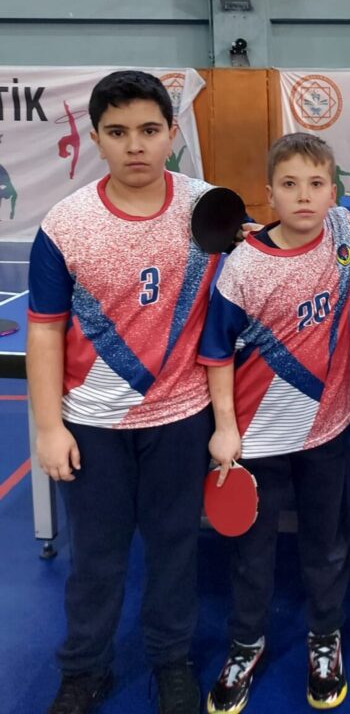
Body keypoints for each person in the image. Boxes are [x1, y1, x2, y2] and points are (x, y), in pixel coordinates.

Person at [27, 70, 219, 714]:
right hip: (92, 425)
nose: (134, 145)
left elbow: (289, 229)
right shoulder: (66, 224)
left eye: (148, 130)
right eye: (117, 132)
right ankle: (84, 670)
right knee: (97, 559)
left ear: (171, 134)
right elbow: (45, 331)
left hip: (182, 418)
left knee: (174, 549)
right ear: (96, 139)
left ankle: (171, 661)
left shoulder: (207, 208)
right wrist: (48, 428)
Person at [198, 133, 350, 713]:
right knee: (252, 554)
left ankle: (325, 637)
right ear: (269, 194)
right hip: (258, 438)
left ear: (334, 192)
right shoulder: (243, 267)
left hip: (327, 430)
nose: (304, 196)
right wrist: (225, 428)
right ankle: (246, 643)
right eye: (290, 185)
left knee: (327, 545)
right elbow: (216, 353)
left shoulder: (345, 231)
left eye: (317, 184)